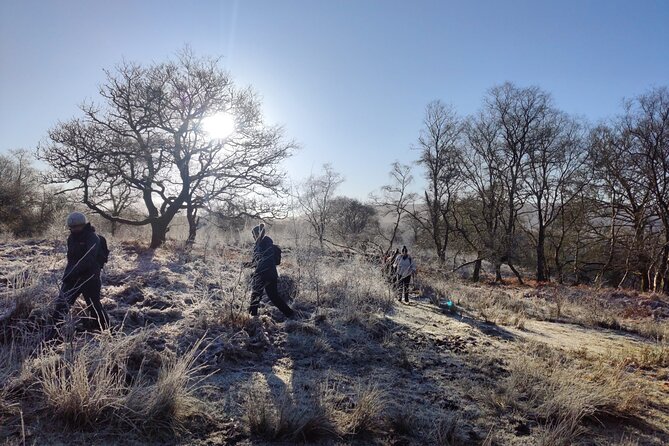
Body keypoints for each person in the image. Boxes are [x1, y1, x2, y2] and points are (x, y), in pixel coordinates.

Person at [51, 212, 110, 333]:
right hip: (72, 277)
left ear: (84, 224)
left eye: (77, 226)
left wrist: (74, 272)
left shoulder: (93, 238)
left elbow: (89, 258)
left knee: (94, 306)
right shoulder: (71, 238)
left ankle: (107, 332)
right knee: (61, 304)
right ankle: (52, 332)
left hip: (90, 278)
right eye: (72, 227)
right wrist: (68, 274)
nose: (75, 229)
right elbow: (71, 259)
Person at [244, 223, 295, 318]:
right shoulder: (269, 245)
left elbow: (257, 262)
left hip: (261, 274)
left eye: (253, 234)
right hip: (272, 274)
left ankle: (251, 317)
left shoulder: (260, 245)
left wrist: (246, 265)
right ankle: (290, 313)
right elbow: (269, 260)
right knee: (274, 297)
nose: (253, 237)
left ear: (257, 234)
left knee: (255, 296)